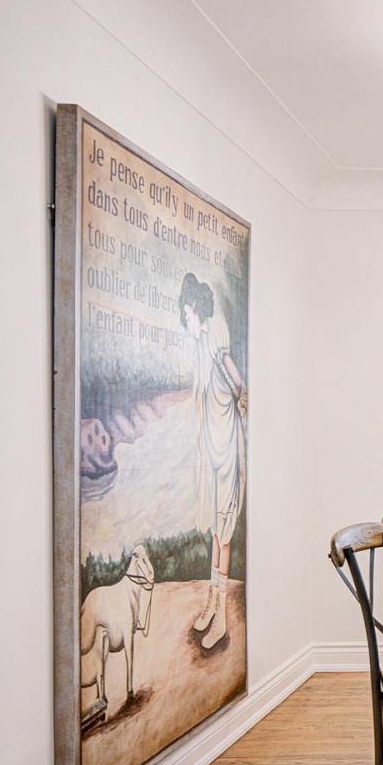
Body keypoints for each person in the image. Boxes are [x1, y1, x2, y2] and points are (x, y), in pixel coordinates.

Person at [178, 272, 246, 651]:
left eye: (186, 314)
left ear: (194, 310)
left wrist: (242, 392)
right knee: (217, 531)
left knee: (225, 526)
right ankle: (212, 600)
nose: (186, 321)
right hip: (213, 442)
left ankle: (219, 611)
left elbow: (234, 377)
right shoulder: (201, 345)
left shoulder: (214, 336)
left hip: (226, 443)